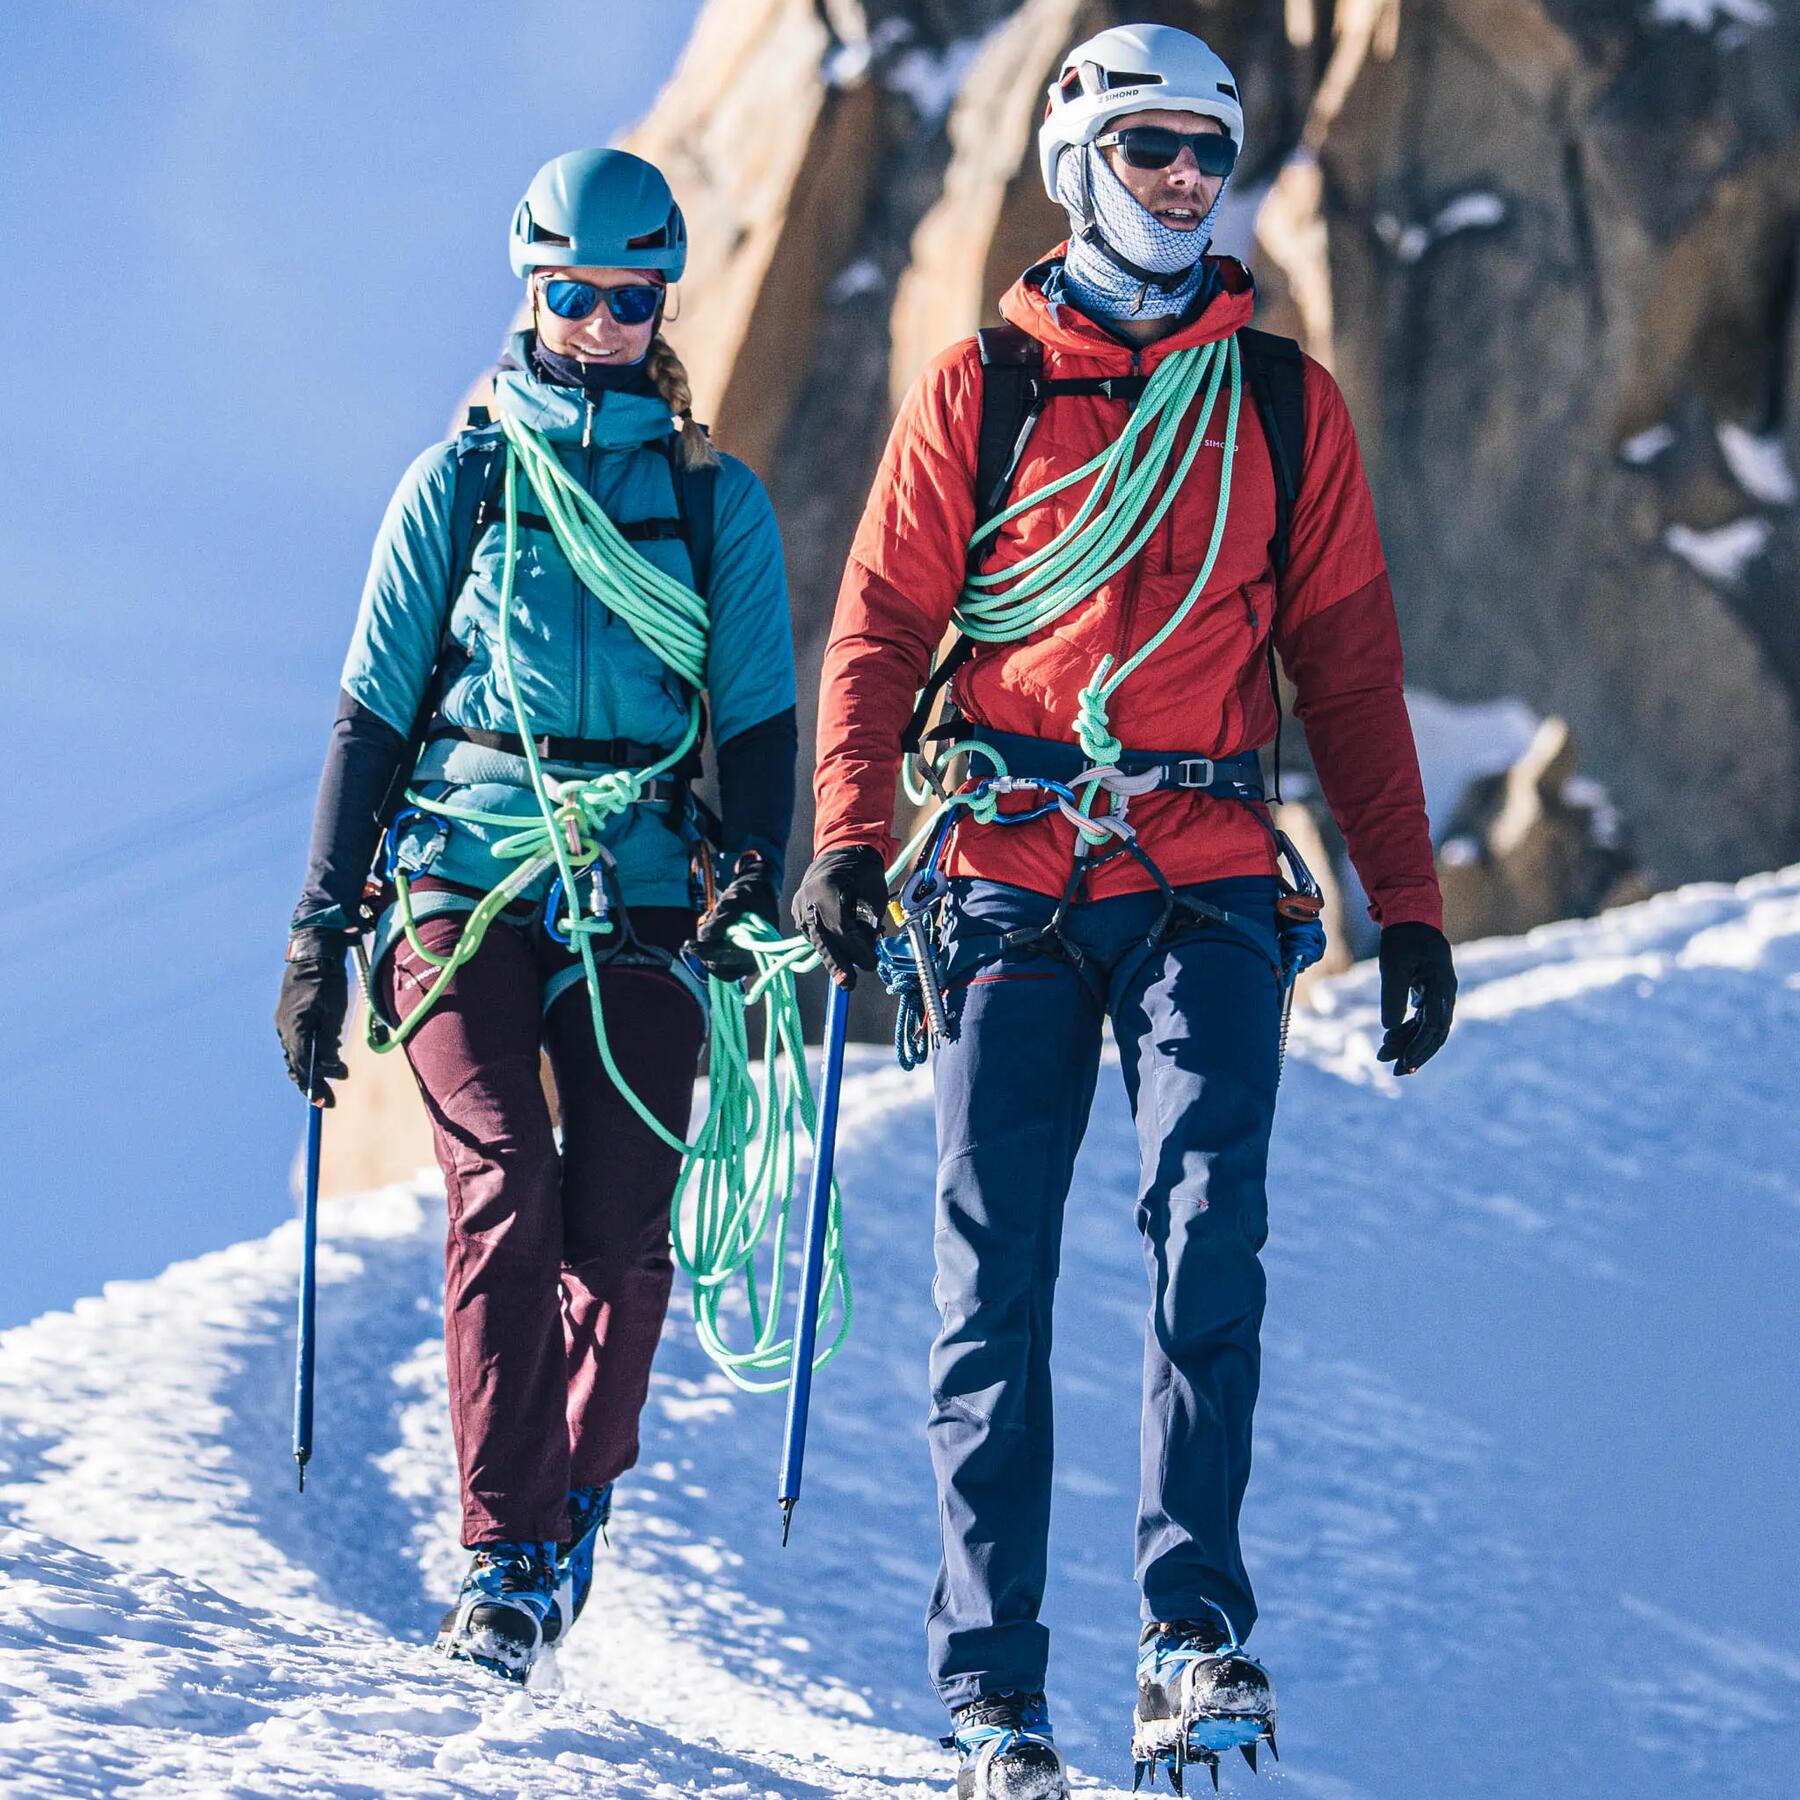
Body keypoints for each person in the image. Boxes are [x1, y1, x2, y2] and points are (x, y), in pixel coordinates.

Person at [795, 23, 1456, 1797]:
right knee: (990, 1273)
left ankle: (1188, 1635)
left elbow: (1352, 674)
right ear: (1079, 154)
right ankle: (993, 1689)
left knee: (1206, 1233)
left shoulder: (1279, 403)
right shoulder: (982, 391)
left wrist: (1411, 907)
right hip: (1007, 878)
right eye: (1154, 147)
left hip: (1214, 879)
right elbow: (878, 633)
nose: (1186, 181)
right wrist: (852, 839)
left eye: (1207, 154)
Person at [274, 148, 798, 1683]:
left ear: (661, 303)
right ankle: (506, 1556)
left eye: (634, 299)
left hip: (636, 887)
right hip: (461, 877)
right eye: (575, 294)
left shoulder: (715, 508)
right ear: (531, 287)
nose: (603, 322)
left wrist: (752, 872)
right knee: (504, 1175)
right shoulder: (465, 481)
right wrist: (318, 932)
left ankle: (573, 1504)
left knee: (626, 1233)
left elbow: (756, 719)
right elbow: (371, 715)